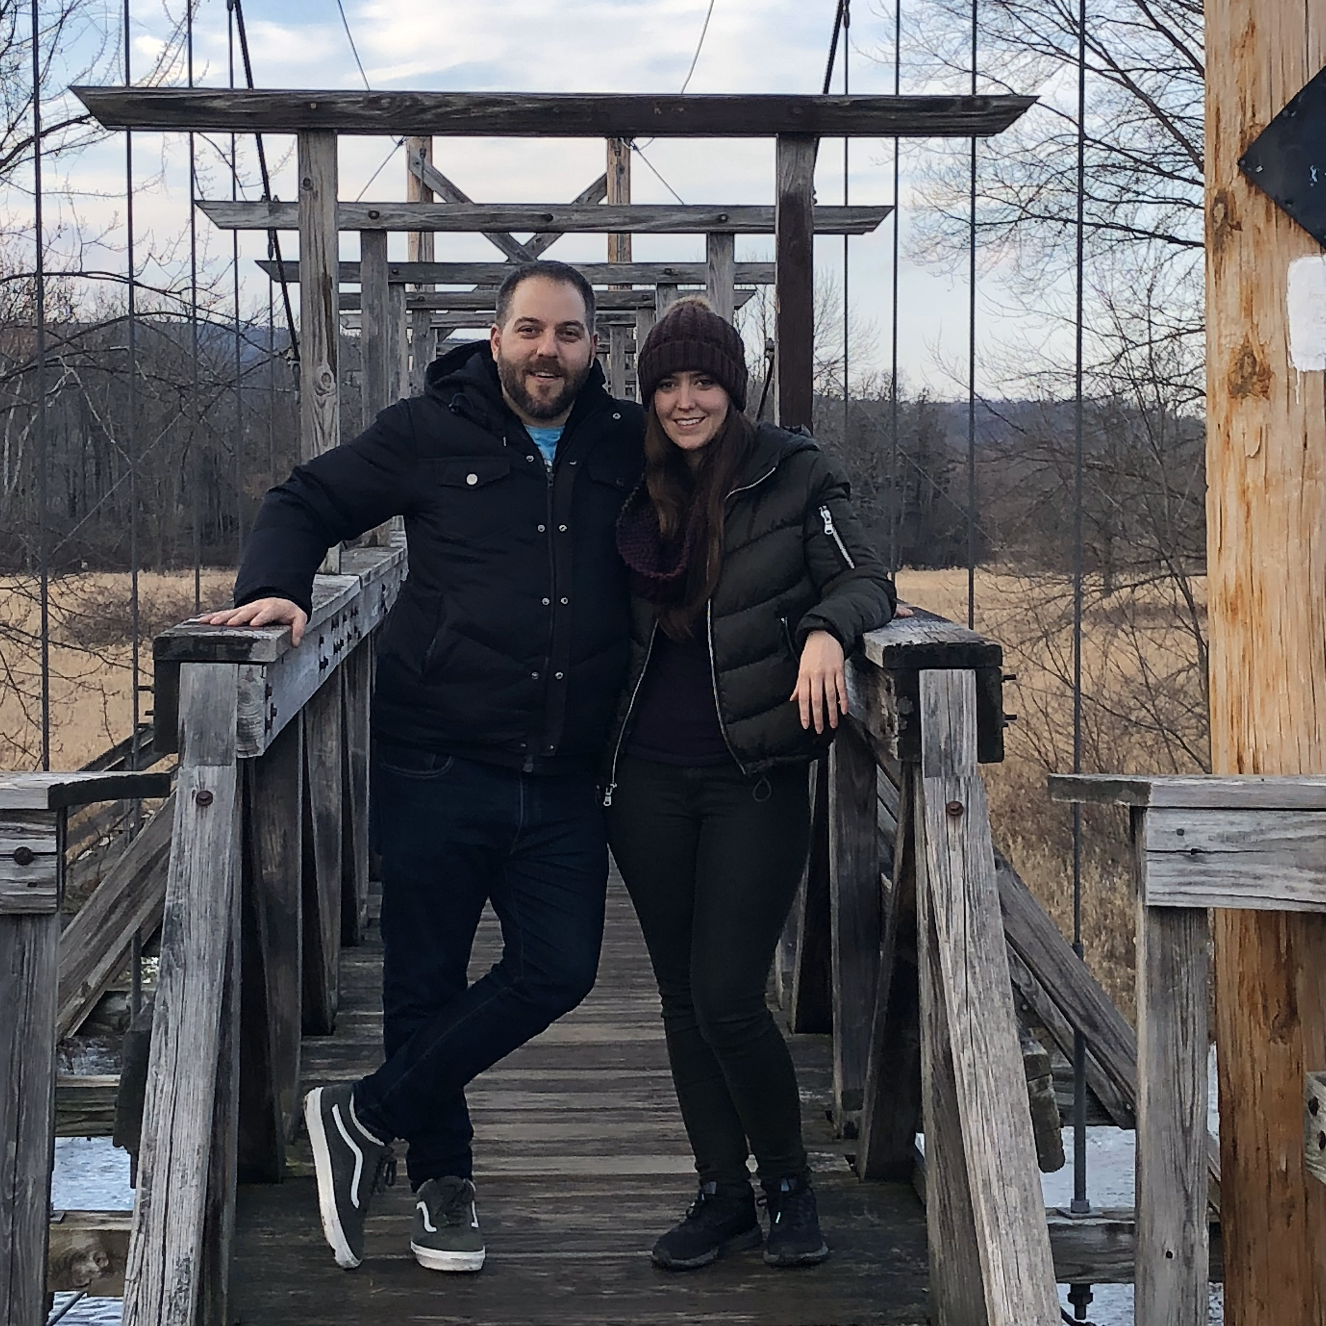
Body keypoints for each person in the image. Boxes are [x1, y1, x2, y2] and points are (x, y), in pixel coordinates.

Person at [199, 261, 644, 1274]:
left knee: (561, 967)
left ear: (592, 347)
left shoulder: (626, 441)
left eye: (569, 334)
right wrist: (276, 587)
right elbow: (304, 498)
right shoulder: (428, 429)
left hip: (566, 768)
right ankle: (444, 1181)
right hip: (437, 753)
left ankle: (364, 1113)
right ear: (496, 338)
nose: (548, 350)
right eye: (530, 329)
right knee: (425, 978)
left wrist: (833, 605)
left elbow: (735, 482)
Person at [603, 296, 897, 1271]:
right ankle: (720, 1194)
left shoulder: (793, 470)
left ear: (735, 385)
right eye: (669, 384)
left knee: (728, 993)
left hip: (754, 773)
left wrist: (826, 629)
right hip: (643, 782)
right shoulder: (626, 485)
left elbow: (866, 580)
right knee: (684, 1001)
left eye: (705, 380)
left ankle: (788, 1186)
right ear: (650, 395)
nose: (687, 400)